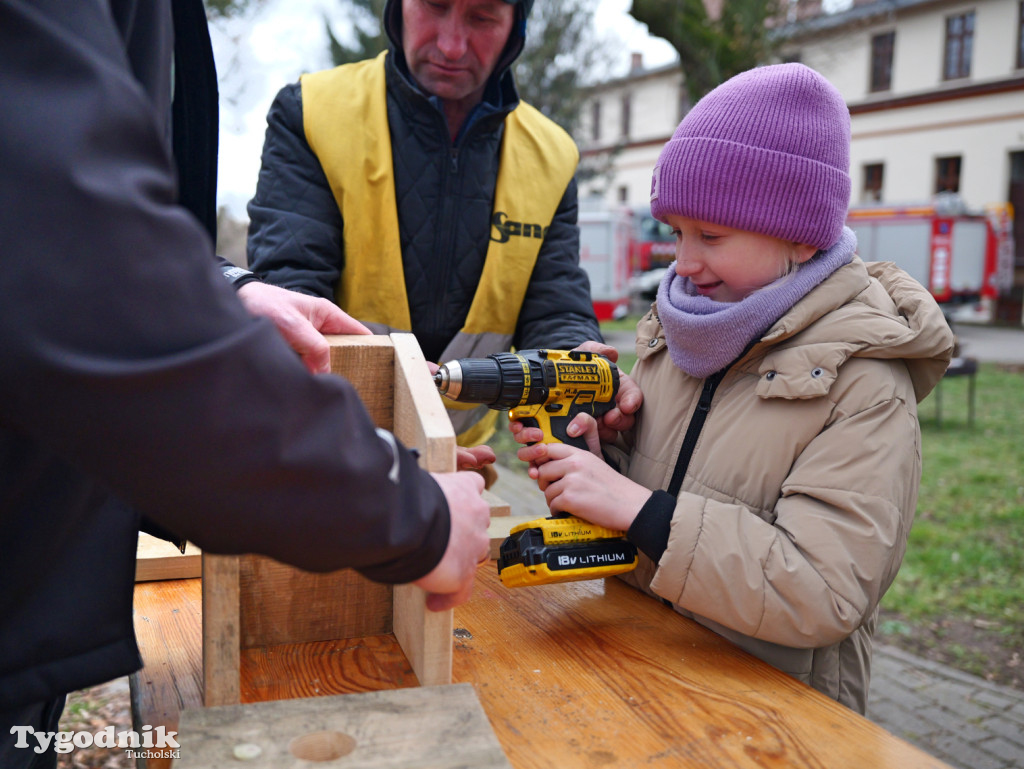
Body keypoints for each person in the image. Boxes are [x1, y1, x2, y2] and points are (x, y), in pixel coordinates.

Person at [0, 1, 491, 766]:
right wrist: (407, 507)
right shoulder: (318, 109)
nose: (454, 42)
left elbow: (71, 227)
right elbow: (75, 274)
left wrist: (218, 289)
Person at [513, 63, 955, 714]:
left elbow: (823, 589)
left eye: (711, 236)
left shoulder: (866, 381)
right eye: (677, 233)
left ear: (800, 235)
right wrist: (603, 458)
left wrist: (636, 507)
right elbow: (664, 500)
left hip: (777, 718)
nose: (683, 263)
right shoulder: (682, 333)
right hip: (647, 679)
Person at [244, 0, 614, 449]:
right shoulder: (312, 112)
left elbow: (555, 308)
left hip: (467, 462)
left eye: (482, 18)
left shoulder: (553, 154)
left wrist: (579, 363)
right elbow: (293, 290)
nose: (452, 45)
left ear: (516, 26)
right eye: (434, 6)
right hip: (331, 450)